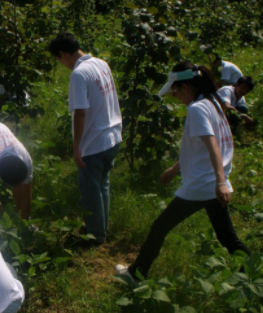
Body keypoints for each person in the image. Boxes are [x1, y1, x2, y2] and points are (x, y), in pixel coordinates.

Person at [115, 62, 251, 280]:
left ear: (187, 86)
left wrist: (220, 182)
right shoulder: (212, 101)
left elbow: (213, 145)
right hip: (212, 184)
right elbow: (198, 147)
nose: (175, 95)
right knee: (228, 238)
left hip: (203, 185)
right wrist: (175, 169)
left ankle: (135, 273)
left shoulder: (197, 109)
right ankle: (256, 278)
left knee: (160, 227)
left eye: (175, 90)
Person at [48, 32, 122, 246]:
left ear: (63, 54)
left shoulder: (79, 74)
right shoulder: (101, 63)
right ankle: (100, 227)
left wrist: (77, 146)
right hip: (113, 136)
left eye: (58, 60)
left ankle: (95, 236)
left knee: (91, 192)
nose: (61, 64)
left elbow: (80, 112)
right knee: (102, 186)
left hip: (95, 142)